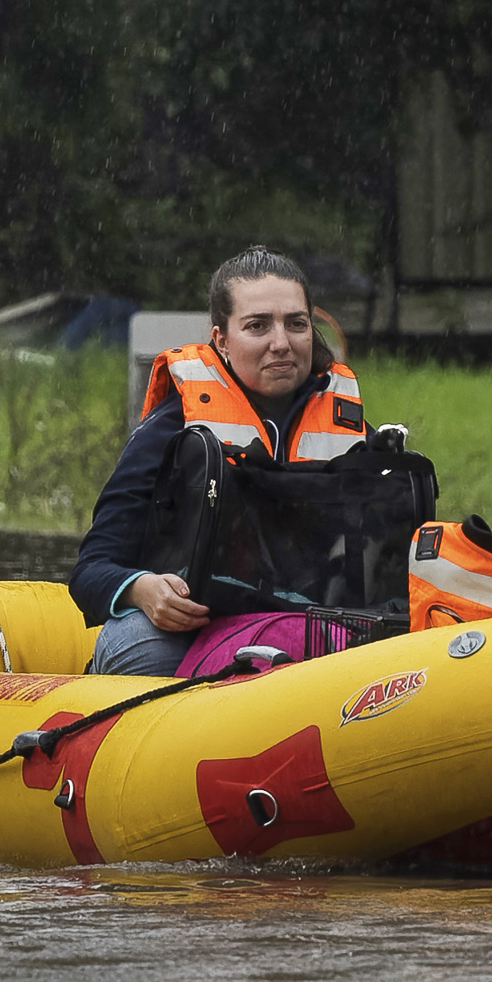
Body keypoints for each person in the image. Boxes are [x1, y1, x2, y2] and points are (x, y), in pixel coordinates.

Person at [72, 247, 382, 675]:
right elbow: (91, 570)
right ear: (221, 339)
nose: (281, 343)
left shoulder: (349, 429)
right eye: (258, 327)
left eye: (296, 324)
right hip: (191, 630)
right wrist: (142, 590)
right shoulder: (172, 429)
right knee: (140, 648)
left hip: (310, 630)